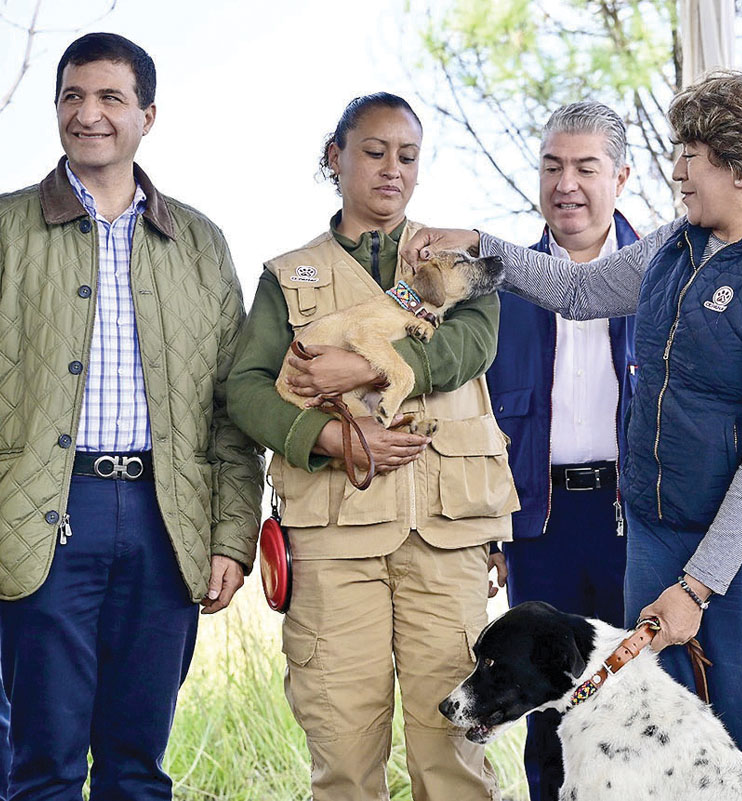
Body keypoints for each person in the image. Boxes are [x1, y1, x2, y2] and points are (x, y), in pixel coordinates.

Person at [404, 70, 742, 801]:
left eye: (693, 154)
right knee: (648, 760)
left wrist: (696, 585)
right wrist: (478, 244)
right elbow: (579, 291)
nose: (675, 169)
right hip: (662, 529)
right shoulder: (674, 248)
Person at [226, 92, 517, 801]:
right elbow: (246, 387)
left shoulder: (454, 256)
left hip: (446, 535)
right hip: (333, 540)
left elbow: (472, 345)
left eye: (408, 156)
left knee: (453, 749)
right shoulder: (288, 276)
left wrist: (364, 366)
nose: (393, 169)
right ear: (337, 157)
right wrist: (327, 436)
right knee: (345, 748)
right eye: (374, 151)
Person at [0, 33, 263, 799]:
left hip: (165, 518)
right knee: (40, 763)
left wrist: (230, 537)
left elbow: (231, 406)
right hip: (41, 515)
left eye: (110, 98)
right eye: (73, 97)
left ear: (148, 114)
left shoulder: (200, 244)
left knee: (138, 766)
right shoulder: (7, 230)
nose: (89, 114)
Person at [485, 100, 637, 801]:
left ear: (622, 177)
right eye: (552, 167)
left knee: (639, 693)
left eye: (585, 167)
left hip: (634, 520)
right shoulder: (503, 283)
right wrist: (490, 530)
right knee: (546, 705)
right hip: (538, 524)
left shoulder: (662, 271)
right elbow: (477, 415)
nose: (566, 183)